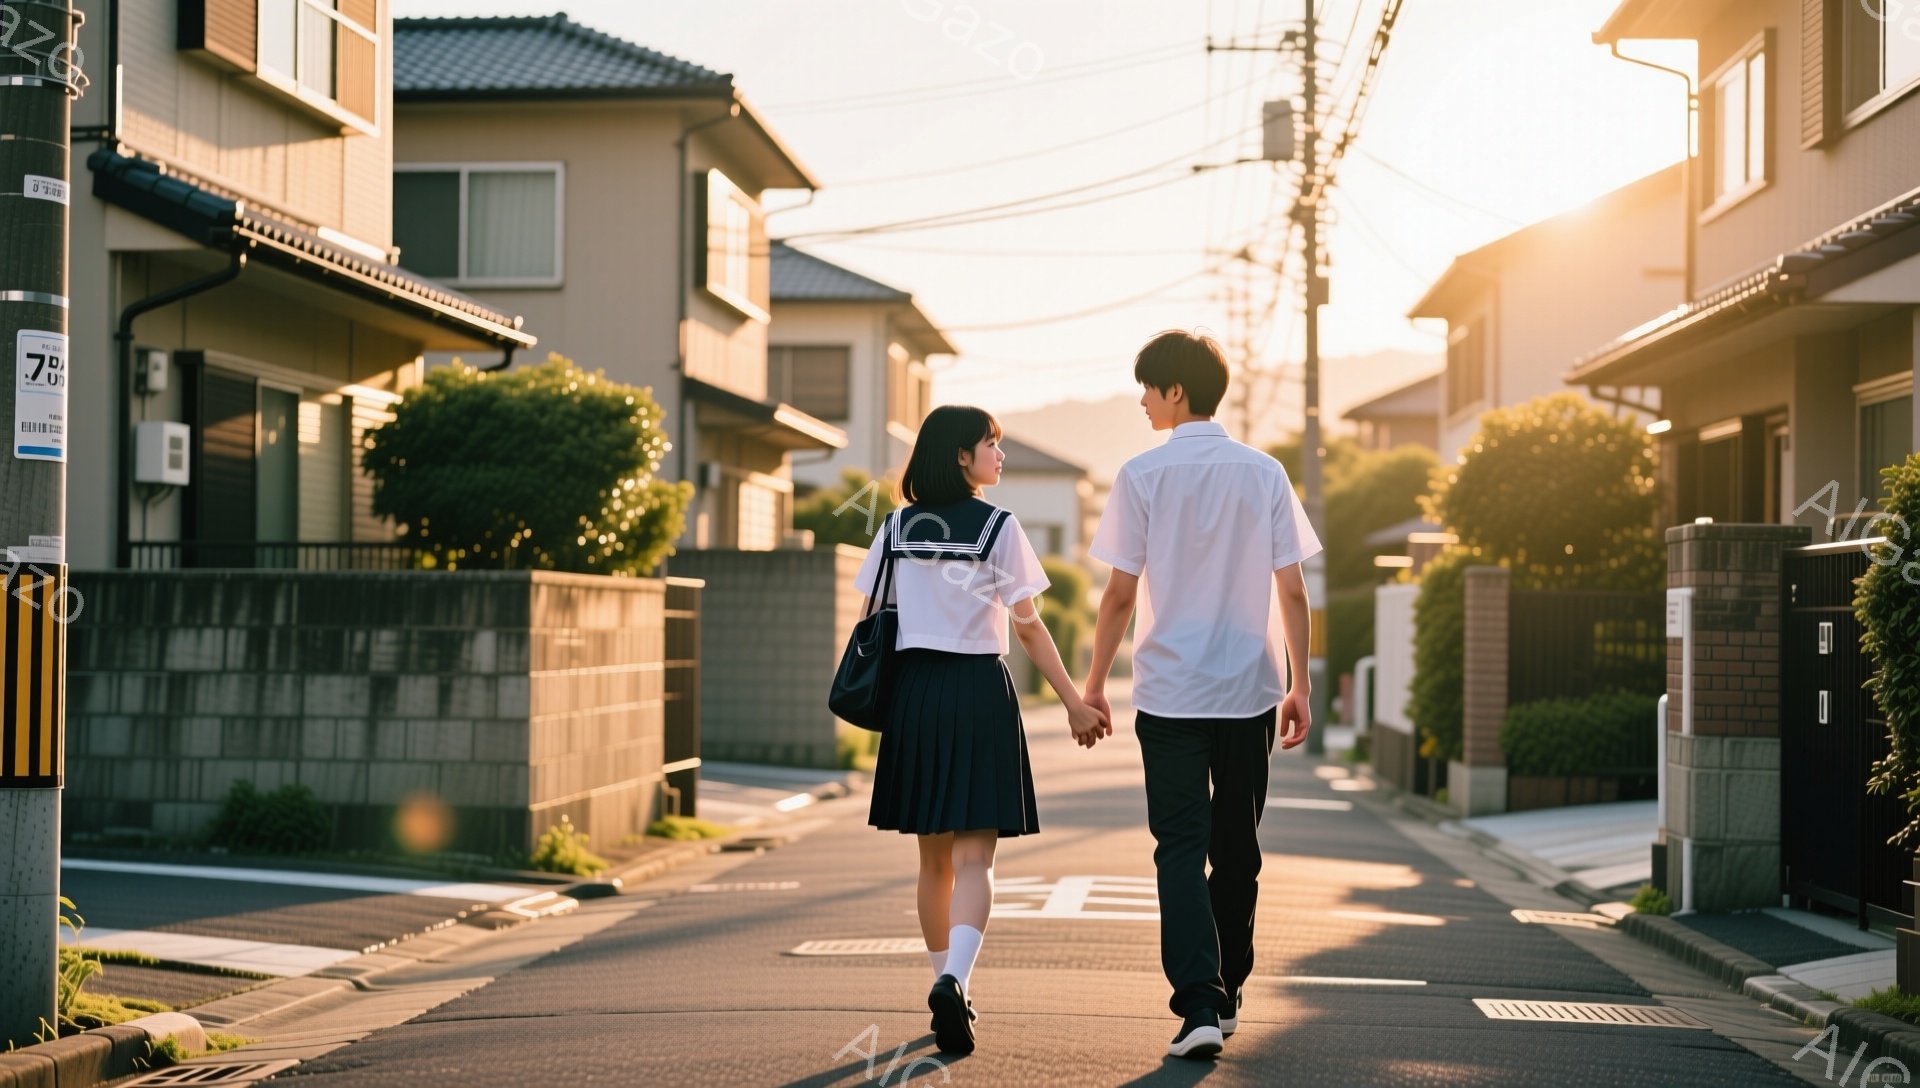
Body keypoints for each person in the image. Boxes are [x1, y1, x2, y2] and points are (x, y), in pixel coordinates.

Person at [1083, 330, 1321, 1061]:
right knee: (1237, 849)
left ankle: (1200, 1003)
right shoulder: (1264, 473)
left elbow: (1120, 596)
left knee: (1179, 850)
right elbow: (1292, 588)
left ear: (1176, 391)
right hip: (1249, 689)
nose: (1143, 401)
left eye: (1149, 388)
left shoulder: (1141, 476)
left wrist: (1093, 684)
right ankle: (1228, 989)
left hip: (1170, 694)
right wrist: (1299, 685)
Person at [853, 404, 1111, 1057]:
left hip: (914, 695)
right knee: (976, 857)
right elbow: (1027, 624)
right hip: (976, 692)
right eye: (989, 444)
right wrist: (1076, 702)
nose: (999, 454)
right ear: (962, 458)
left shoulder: (895, 528)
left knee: (932, 858)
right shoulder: (998, 526)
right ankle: (955, 980)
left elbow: (871, 615)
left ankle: (943, 979)